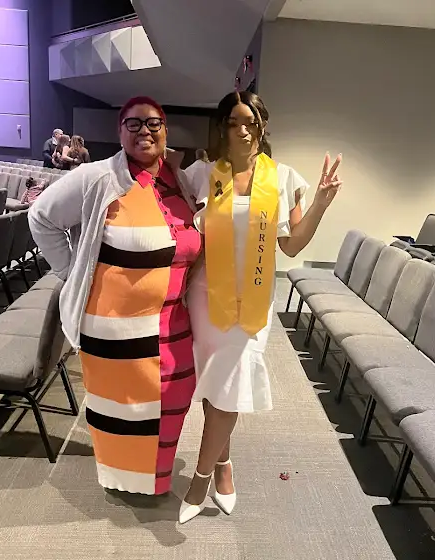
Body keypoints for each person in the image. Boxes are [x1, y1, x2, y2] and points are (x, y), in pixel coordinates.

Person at [179, 91, 342, 523]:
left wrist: (321, 203)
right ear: (223, 128)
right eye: (234, 122)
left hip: (253, 299)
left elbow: (292, 245)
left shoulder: (283, 178)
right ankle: (223, 464)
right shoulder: (201, 175)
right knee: (215, 383)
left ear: (263, 126)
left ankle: (199, 479)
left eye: (251, 122)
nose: (243, 130)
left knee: (232, 378)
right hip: (206, 294)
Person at [29, 96, 202, 496]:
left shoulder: (180, 180)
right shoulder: (97, 177)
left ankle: (155, 478)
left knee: (174, 399)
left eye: (154, 123)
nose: (145, 132)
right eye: (134, 124)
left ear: (166, 129)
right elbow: (40, 217)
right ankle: (125, 481)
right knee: (124, 412)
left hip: (174, 323)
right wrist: (72, 272)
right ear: (119, 131)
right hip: (115, 330)